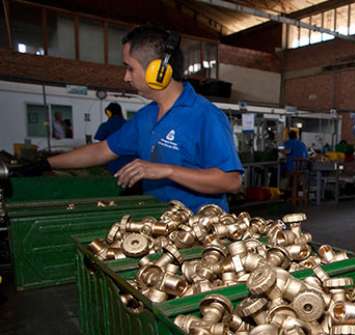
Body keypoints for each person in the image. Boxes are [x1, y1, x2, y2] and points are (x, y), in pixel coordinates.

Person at [42, 25, 242, 212]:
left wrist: (167, 171)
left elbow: (230, 181)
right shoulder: (146, 117)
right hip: (159, 226)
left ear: (158, 71)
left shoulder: (206, 116)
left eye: (130, 68)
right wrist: (46, 164)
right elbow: (102, 150)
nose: (126, 77)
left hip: (200, 232)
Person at [94, 102, 132, 174]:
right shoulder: (129, 125)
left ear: (109, 112)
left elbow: (100, 145)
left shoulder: (105, 126)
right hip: (130, 161)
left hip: (112, 161)